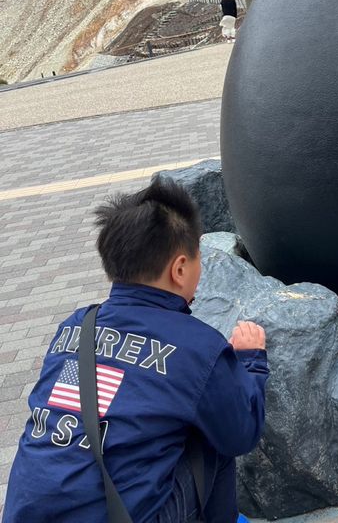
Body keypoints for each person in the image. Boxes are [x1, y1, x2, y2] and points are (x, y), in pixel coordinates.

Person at [4, 179, 268, 523]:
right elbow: (241, 434)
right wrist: (251, 362)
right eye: (198, 258)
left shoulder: (76, 326)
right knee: (212, 435)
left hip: (26, 512)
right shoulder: (198, 346)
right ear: (179, 269)